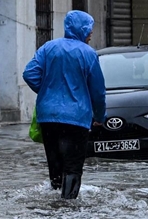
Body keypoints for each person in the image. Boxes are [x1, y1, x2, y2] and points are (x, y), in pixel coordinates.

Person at [23, 10, 106, 199]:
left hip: (48, 117)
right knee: (73, 165)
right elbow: (98, 92)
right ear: (82, 30)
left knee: (55, 163)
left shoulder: (48, 48)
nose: (91, 34)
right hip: (77, 119)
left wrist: (47, 92)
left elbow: (29, 74)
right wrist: (100, 116)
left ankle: (53, 203)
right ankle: (67, 205)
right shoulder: (89, 54)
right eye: (89, 30)